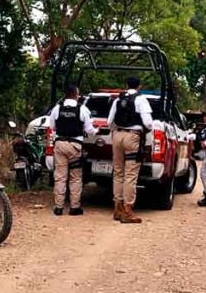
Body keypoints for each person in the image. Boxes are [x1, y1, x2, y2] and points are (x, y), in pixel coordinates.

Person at [106, 76, 153, 224]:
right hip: (132, 137)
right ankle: (127, 211)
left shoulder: (118, 100)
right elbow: (148, 123)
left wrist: (116, 131)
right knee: (130, 175)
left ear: (126, 85)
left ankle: (117, 208)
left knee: (118, 173)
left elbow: (109, 122)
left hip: (117, 136)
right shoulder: (141, 100)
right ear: (139, 86)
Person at [47, 84, 96, 216]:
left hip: (60, 144)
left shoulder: (57, 108)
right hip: (75, 146)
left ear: (66, 94)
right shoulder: (82, 109)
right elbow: (89, 130)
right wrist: (97, 131)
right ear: (76, 94)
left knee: (60, 177)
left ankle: (58, 207)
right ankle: (74, 207)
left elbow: (52, 126)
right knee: (75, 177)